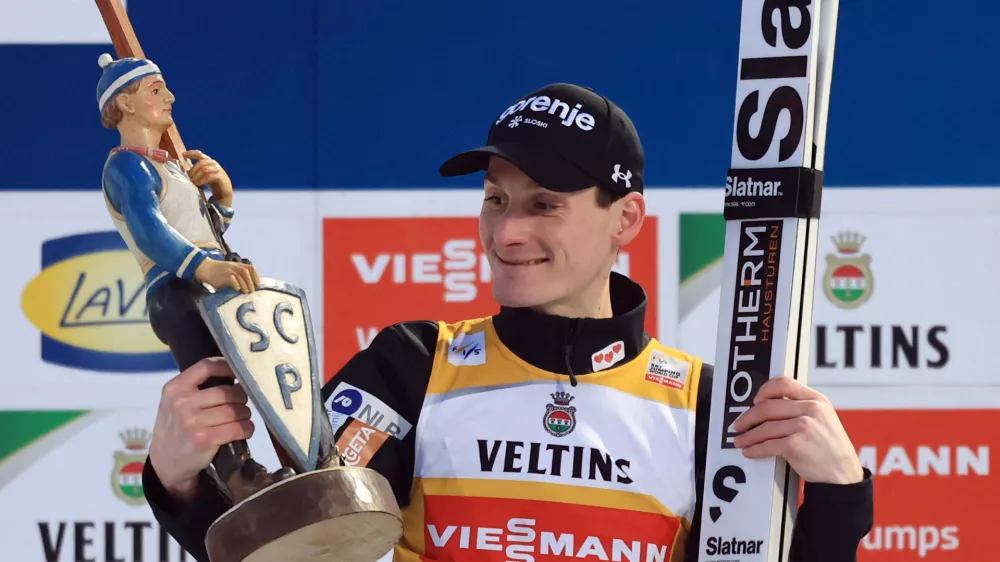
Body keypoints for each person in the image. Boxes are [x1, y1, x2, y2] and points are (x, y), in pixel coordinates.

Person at [142, 82, 874, 562]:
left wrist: (841, 495)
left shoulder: (706, 404)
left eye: (544, 204)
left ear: (627, 220)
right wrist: (182, 481)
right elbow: (291, 539)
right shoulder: (412, 365)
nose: (508, 233)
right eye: (496, 199)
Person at [95, 53, 293, 505]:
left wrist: (222, 198)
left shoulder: (167, 167)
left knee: (251, 372)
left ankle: (289, 456)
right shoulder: (127, 167)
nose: (170, 97)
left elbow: (203, 233)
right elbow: (152, 233)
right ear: (124, 103)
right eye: (156, 90)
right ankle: (238, 476)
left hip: (202, 282)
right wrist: (206, 268)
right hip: (177, 291)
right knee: (213, 384)